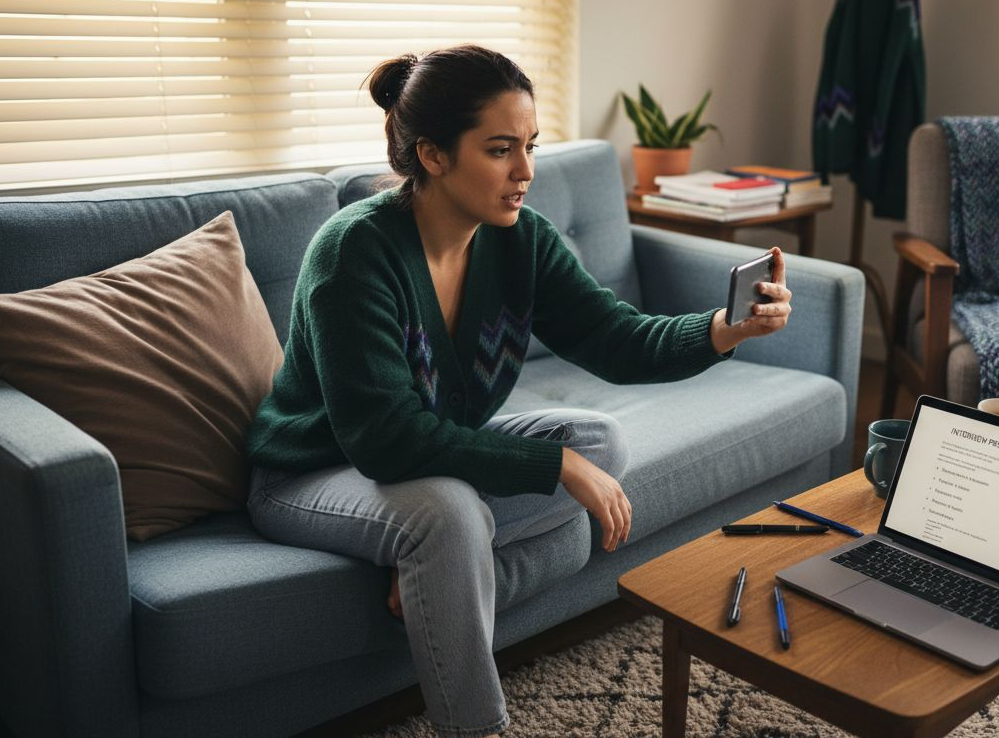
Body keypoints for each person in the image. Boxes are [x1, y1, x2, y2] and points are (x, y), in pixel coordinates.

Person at [244, 44, 792, 738]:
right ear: (433, 155)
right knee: (452, 512)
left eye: (530, 146)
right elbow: (386, 440)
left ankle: (431, 574)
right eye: (500, 150)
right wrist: (553, 466)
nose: (526, 172)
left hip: (423, 460)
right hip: (311, 472)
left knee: (598, 442)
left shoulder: (519, 239)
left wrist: (722, 329)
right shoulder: (354, 253)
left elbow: (614, 338)